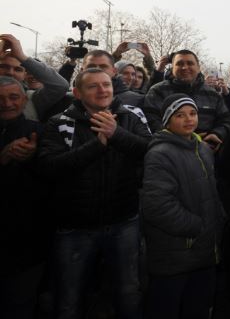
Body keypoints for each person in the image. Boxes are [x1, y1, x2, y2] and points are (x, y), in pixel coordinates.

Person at [37, 68, 151, 319]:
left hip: (124, 221)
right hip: (75, 227)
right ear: (77, 93)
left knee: (129, 291)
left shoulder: (131, 116)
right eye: (93, 86)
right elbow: (49, 168)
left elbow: (149, 151)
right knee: (69, 297)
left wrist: (116, 134)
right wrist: (96, 145)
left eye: (106, 85)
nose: (102, 90)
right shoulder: (59, 122)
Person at [142, 93, 225, 319]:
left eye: (192, 113)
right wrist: (197, 227)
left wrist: (218, 219)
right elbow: (157, 206)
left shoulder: (202, 149)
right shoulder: (160, 154)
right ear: (167, 120)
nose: (189, 119)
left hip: (204, 252)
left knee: (197, 308)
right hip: (176, 255)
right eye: (180, 115)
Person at [0, 76, 50, 319]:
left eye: (13, 97)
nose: (7, 104)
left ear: (23, 100)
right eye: (0, 99)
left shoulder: (39, 132)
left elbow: (54, 175)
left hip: (27, 241)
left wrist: (33, 159)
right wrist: (3, 159)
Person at [143, 50, 230, 151]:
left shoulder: (213, 94)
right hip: (169, 151)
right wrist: (184, 140)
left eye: (190, 63)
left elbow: (226, 120)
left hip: (206, 152)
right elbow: (150, 120)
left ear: (198, 68)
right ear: (172, 68)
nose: (185, 67)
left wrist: (216, 134)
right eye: (179, 64)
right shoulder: (157, 91)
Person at [0, 34, 69, 121]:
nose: (10, 72)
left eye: (18, 69)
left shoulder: (32, 99)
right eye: (4, 67)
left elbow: (60, 86)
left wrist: (21, 56)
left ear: (24, 75)